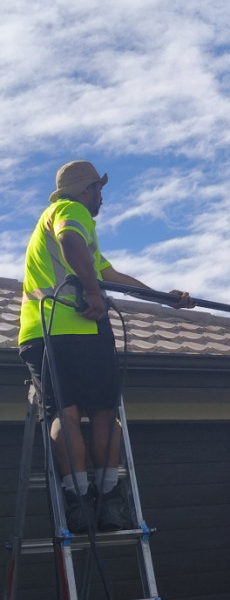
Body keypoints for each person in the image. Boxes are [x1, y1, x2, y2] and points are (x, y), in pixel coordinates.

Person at [18, 160, 193, 533]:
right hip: (75, 330)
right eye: (99, 189)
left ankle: (80, 500)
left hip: (43, 334)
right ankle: (109, 500)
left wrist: (164, 297)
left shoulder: (59, 223)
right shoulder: (70, 211)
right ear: (87, 190)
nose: (102, 197)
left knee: (65, 415)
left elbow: (111, 275)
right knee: (100, 413)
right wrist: (94, 292)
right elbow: (71, 243)